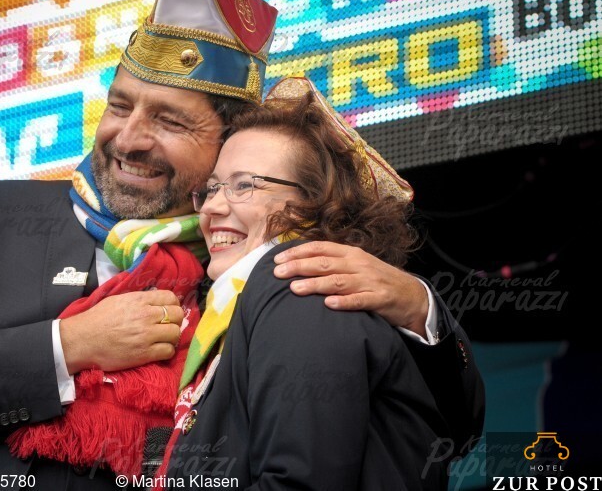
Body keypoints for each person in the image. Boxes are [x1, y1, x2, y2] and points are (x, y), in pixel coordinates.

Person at [0, 0, 482, 490]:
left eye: (170, 121)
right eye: (120, 106)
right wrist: (71, 344)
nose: (129, 138)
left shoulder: (254, 262)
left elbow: (450, 431)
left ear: (228, 141)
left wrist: (419, 309)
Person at [158, 77, 473, 490]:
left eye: (243, 185)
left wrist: (420, 304)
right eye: (213, 187)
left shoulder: (301, 285)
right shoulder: (232, 314)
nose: (212, 207)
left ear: (317, 202)